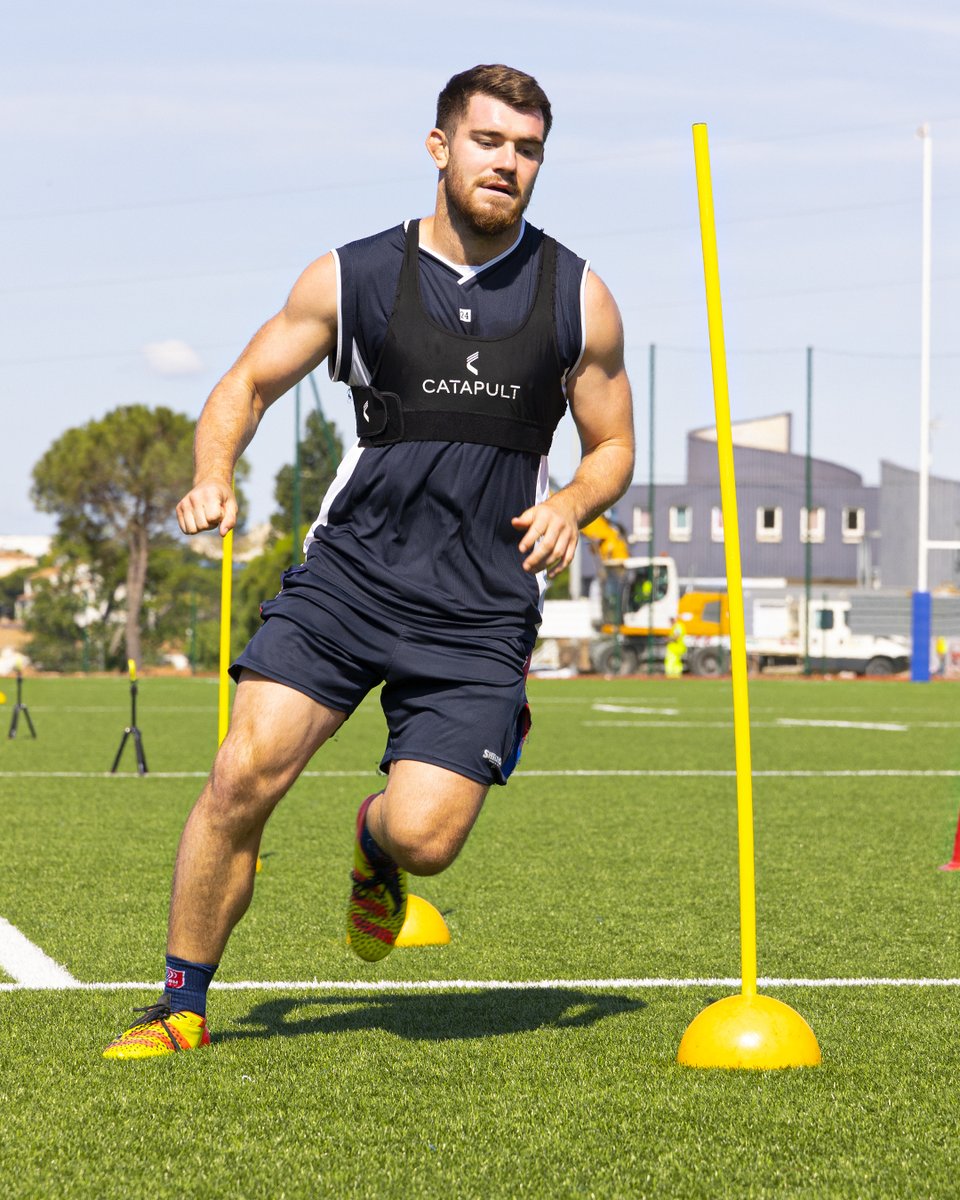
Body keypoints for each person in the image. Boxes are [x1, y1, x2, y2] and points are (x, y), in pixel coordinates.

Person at [103, 63, 635, 1058]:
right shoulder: (352, 277)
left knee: (425, 838)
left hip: (479, 607)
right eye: (489, 142)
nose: (507, 165)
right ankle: (180, 1005)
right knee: (240, 776)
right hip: (351, 581)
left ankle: (372, 844)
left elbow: (614, 444)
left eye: (527, 151)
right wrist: (213, 471)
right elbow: (247, 382)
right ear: (441, 147)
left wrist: (570, 500)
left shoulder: (578, 296)